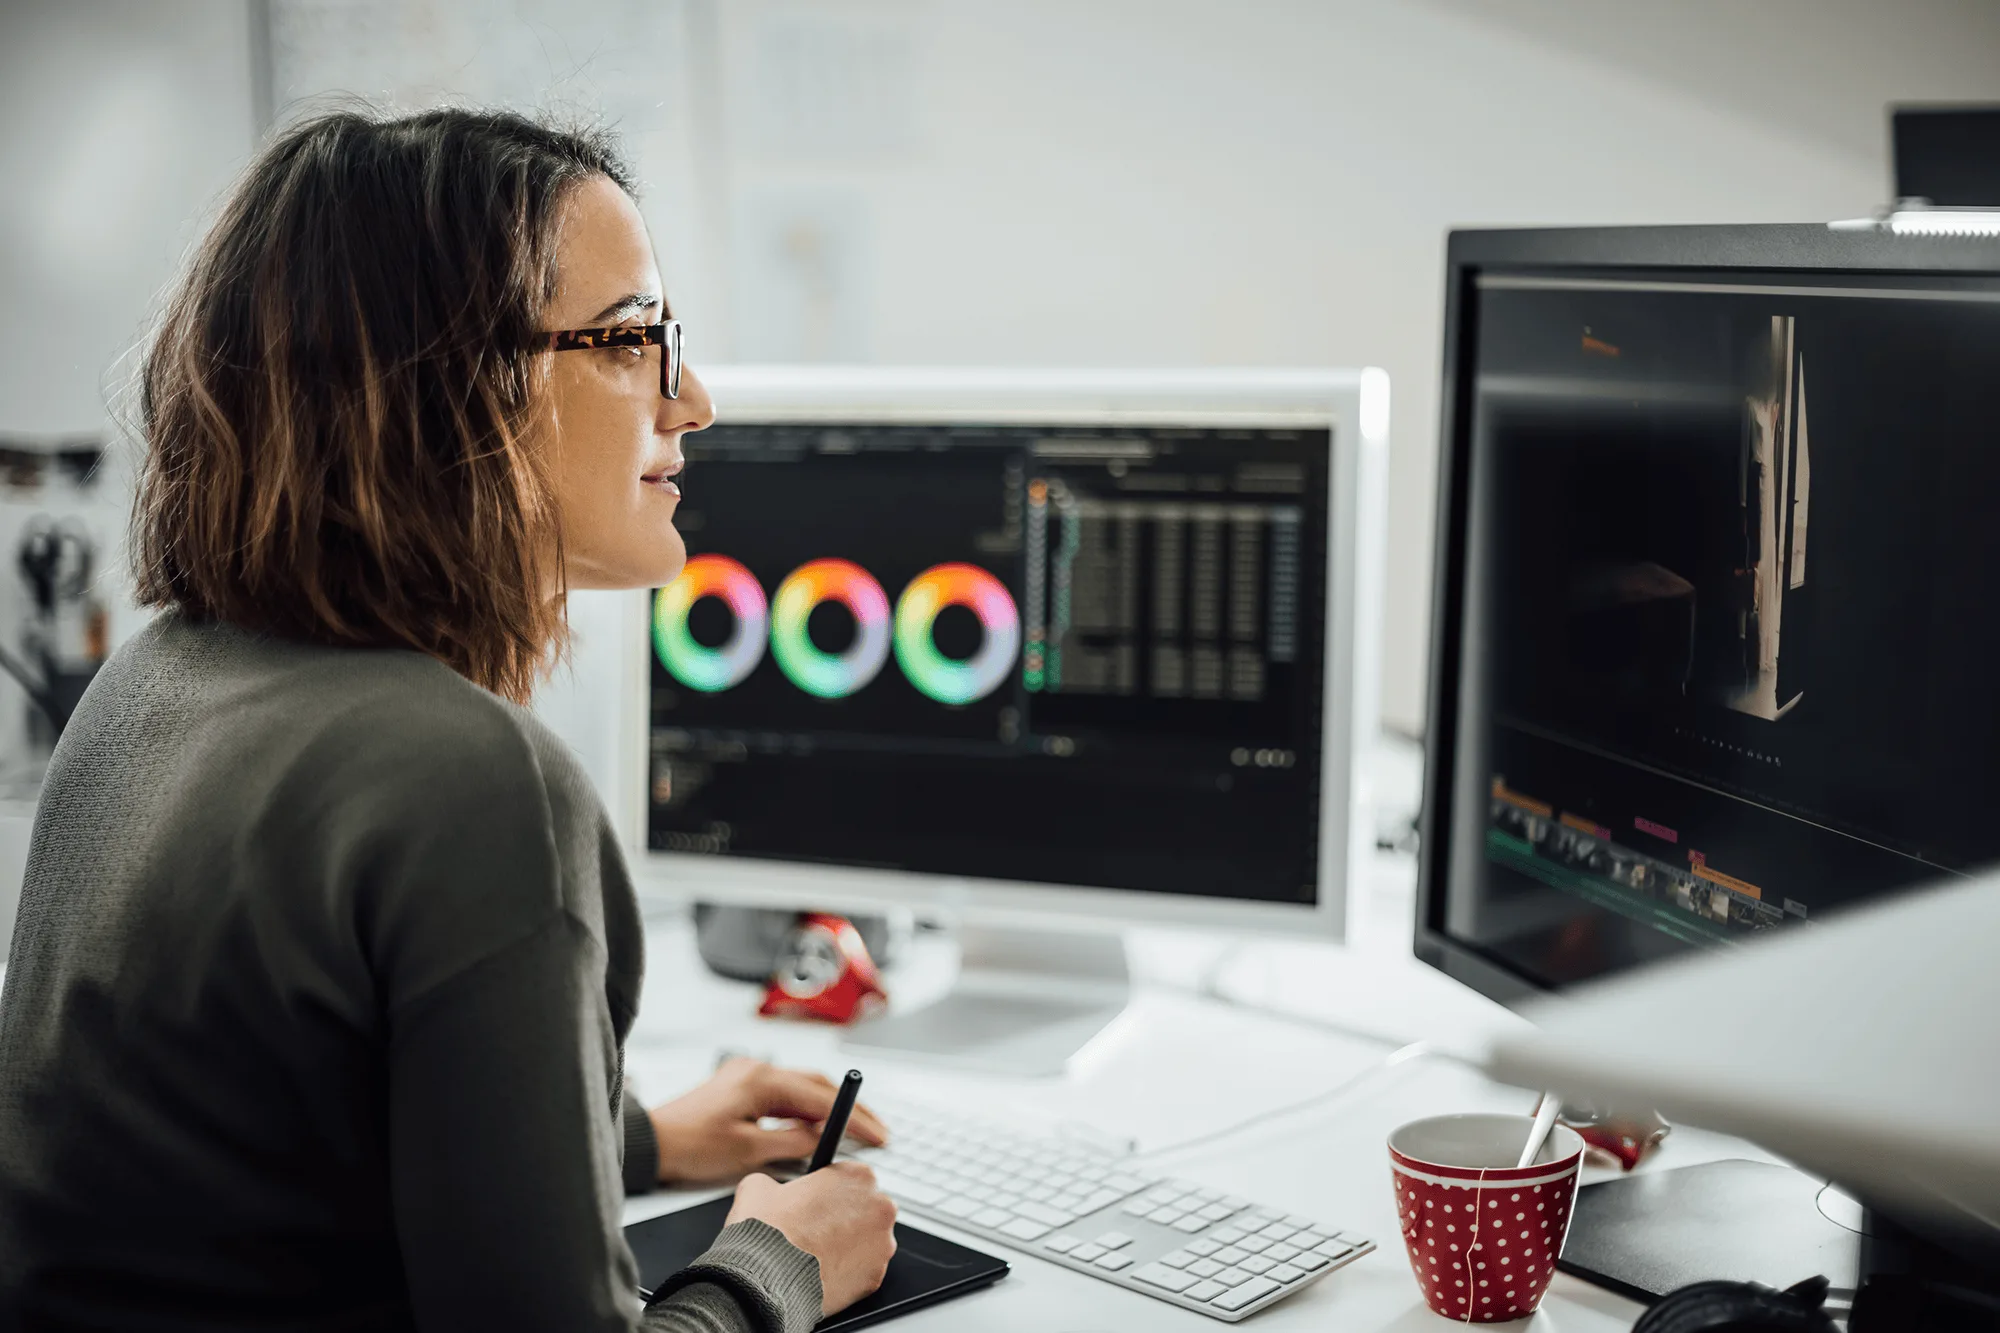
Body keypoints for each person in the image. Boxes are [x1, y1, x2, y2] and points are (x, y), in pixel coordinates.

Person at [0, 108, 898, 1333]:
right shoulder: (469, 782)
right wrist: (772, 1267)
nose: (692, 398)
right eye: (636, 338)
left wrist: (631, 1137)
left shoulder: (149, 688)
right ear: (454, 382)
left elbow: (272, 1155)